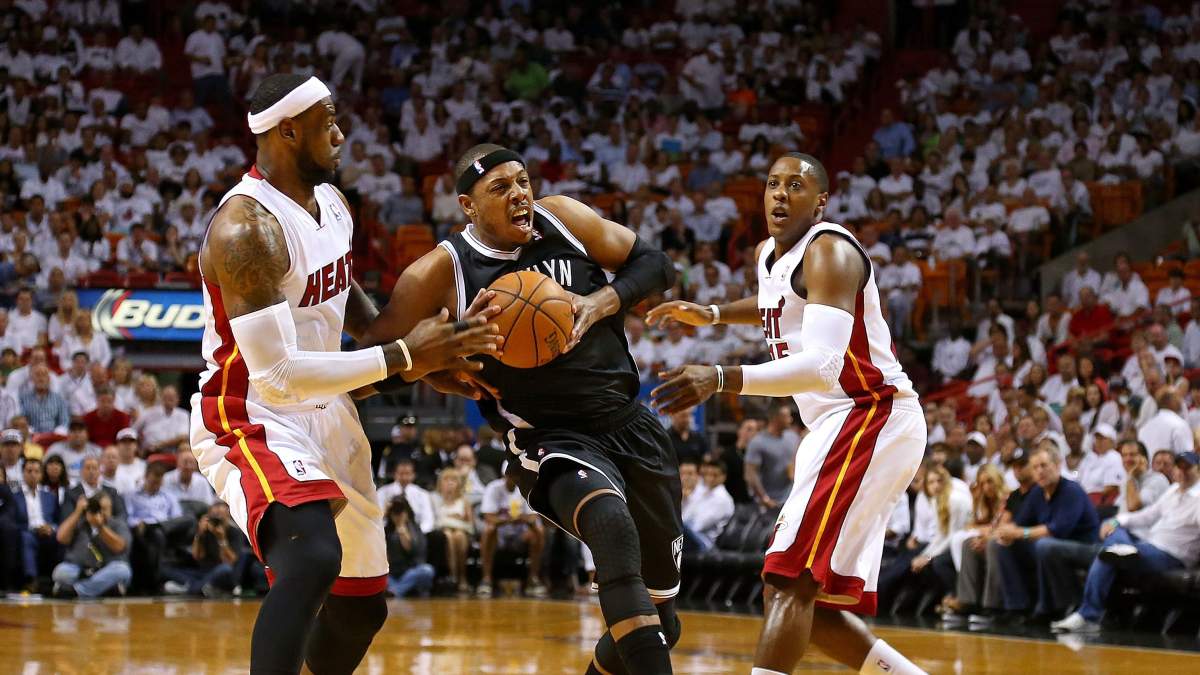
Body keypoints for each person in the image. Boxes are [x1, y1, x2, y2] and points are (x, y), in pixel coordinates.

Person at [187, 74, 501, 675]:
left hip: (330, 409)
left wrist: (422, 361)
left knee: (361, 609)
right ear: (288, 131)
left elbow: (341, 297)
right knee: (310, 558)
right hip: (252, 413)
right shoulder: (245, 229)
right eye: (328, 122)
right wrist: (404, 357)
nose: (340, 135)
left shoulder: (331, 204)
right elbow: (277, 375)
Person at [354, 143, 682, 674]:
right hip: (548, 438)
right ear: (468, 205)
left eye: (523, 181)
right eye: (500, 187)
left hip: (631, 424)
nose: (519, 195)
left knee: (661, 622)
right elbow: (370, 364)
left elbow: (657, 264)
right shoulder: (441, 271)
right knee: (610, 524)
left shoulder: (564, 219)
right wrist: (431, 366)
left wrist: (599, 302)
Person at [647, 153, 926, 674]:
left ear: (820, 202)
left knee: (787, 580)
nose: (779, 193)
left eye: (795, 186)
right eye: (773, 183)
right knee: (810, 606)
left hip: (870, 412)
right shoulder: (770, 255)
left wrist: (722, 376)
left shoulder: (830, 252)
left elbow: (823, 367)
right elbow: (775, 303)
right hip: (841, 423)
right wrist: (711, 314)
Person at [1053, 450, 1200, 633]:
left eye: (1188, 467)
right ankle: (1122, 549)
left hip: (1172, 555)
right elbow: (1147, 516)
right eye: (1179, 466)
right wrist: (1116, 521)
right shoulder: (1173, 491)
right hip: (1149, 545)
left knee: (1107, 555)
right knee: (1114, 528)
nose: (1183, 471)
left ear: (1198, 470)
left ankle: (1087, 616)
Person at [989, 446, 1099, 619]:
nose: (1039, 471)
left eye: (1044, 465)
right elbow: (1019, 523)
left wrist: (1018, 533)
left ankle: (1055, 608)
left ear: (1057, 465)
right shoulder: (1037, 493)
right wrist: (1004, 533)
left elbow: (1056, 531)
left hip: (1086, 547)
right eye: (1035, 467)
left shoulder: (1071, 491)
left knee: (1044, 545)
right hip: (1052, 546)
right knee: (1001, 545)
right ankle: (1017, 607)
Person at [478, 473, 547, 598]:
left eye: (516, 476)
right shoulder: (493, 488)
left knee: (538, 531)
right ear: (504, 476)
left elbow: (533, 517)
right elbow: (488, 517)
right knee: (488, 530)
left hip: (520, 535)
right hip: (500, 535)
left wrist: (520, 517)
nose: (514, 479)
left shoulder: (527, 488)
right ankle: (486, 579)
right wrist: (507, 519)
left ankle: (533, 579)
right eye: (511, 476)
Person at [52, 493, 132, 598]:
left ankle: (75, 591)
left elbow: (119, 547)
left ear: (110, 509)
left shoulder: (118, 524)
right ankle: (102, 589)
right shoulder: (80, 523)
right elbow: (61, 538)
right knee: (60, 572)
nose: (101, 513)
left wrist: (100, 526)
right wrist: (77, 512)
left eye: (104, 509)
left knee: (122, 570)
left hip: (107, 569)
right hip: (81, 570)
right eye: (98, 509)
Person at [162, 501, 243, 597]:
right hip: (203, 572)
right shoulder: (205, 530)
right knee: (165, 569)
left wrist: (221, 539)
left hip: (221, 571)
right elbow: (197, 556)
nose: (217, 520)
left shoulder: (234, 531)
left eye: (220, 516)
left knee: (225, 569)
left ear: (228, 515)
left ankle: (192, 589)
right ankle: (202, 587)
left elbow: (230, 562)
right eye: (214, 516)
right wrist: (199, 534)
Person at [743, 402, 800, 508]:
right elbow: (750, 473)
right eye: (786, 416)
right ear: (775, 418)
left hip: (789, 500)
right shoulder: (757, 442)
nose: (790, 420)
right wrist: (764, 498)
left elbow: (795, 466)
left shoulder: (793, 437)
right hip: (766, 502)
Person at [14, 458, 61, 586]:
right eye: (29, 471)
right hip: (27, 532)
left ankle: (59, 581)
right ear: (23, 473)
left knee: (60, 536)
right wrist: (34, 529)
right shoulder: (15, 497)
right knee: (26, 538)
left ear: (41, 474)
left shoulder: (50, 496)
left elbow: (58, 520)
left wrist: (52, 528)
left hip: (48, 532)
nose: (33, 474)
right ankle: (32, 580)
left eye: (36, 471)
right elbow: (13, 522)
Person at [384, 495, 435, 598]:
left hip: (411, 571)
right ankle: (400, 589)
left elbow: (413, 551)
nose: (397, 513)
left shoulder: (415, 529)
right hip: (392, 574)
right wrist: (383, 514)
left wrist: (401, 527)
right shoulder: (385, 530)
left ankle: (395, 591)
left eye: (400, 510)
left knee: (427, 570)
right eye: (394, 510)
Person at [432, 468, 473, 594]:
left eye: (453, 480)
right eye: (446, 479)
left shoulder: (464, 501)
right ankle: (453, 575)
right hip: (443, 532)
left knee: (458, 536)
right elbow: (433, 521)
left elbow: (471, 525)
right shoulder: (434, 499)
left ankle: (462, 576)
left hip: (461, 532)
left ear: (459, 484)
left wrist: (451, 520)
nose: (450, 483)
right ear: (440, 483)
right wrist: (454, 519)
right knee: (448, 535)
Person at [682, 459, 735, 552]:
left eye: (715, 475)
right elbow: (686, 515)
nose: (710, 478)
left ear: (723, 477)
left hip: (706, 543)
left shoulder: (722, 498)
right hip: (692, 536)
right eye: (707, 474)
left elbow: (698, 526)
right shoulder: (702, 492)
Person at [375, 458, 435, 534]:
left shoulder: (422, 494)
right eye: (401, 474)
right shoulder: (382, 492)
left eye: (407, 474)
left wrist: (416, 533)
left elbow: (428, 520)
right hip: (387, 533)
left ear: (413, 475)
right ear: (394, 474)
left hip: (416, 533)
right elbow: (375, 519)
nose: (404, 477)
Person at [63, 455, 126, 521]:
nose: (91, 471)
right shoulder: (70, 493)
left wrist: (111, 522)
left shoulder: (111, 492)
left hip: (109, 526)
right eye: (88, 468)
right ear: (81, 471)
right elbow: (66, 518)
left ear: (100, 471)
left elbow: (122, 515)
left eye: (94, 468)